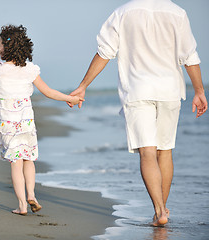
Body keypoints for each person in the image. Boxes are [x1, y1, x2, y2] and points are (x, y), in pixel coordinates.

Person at [69, 0, 207, 226]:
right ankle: (162, 210)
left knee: (147, 152)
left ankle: (159, 210)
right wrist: (199, 91)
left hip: (137, 90)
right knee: (165, 151)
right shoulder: (177, 12)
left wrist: (83, 85)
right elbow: (189, 56)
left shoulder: (123, 12)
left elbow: (105, 52)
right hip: (169, 91)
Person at [0, 24, 83, 215]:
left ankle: (22, 205)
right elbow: (48, 92)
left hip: (7, 124)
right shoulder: (30, 69)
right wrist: (70, 99)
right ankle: (32, 194)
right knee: (28, 159)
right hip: (26, 124)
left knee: (15, 162)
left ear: (6, 47)